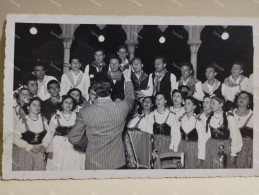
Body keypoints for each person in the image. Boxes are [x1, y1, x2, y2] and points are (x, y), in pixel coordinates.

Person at [68, 67, 135, 170]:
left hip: (94, 163)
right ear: (111, 89)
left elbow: (73, 138)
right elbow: (130, 98)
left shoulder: (85, 112)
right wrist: (127, 78)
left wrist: (88, 142)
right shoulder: (122, 107)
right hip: (117, 163)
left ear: (95, 91)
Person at [46, 95, 85, 170]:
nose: (68, 104)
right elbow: (49, 134)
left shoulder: (77, 116)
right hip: (59, 146)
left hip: (74, 145)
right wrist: (49, 150)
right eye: (66, 102)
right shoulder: (55, 117)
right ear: (61, 104)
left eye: (71, 102)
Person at [13, 97, 52, 171]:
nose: (37, 107)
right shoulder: (22, 121)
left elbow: (48, 136)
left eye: (39, 105)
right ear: (28, 107)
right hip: (26, 152)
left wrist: (44, 145)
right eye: (34, 105)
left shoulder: (43, 121)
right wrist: (29, 146)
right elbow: (15, 138)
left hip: (39, 153)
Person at [204, 95, 243, 169]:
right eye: (210, 103)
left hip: (224, 148)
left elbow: (235, 135)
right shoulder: (210, 117)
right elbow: (207, 135)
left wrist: (233, 153)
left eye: (213, 103)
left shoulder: (228, 117)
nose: (211, 105)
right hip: (211, 147)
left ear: (221, 104)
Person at [177, 96, 205, 169]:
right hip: (182, 149)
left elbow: (201, 141)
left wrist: (200, 157)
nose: (185, 105)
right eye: (185, 103)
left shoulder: (198, 121)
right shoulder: (181, 119)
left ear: (194, 106)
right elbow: (177, 136)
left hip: (193, 150)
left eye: (188, 103)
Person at [233, 91, 253, 168]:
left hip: (246, 150)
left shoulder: (253, 115)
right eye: (240, 97)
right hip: (230, 146)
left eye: (245, 98)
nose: (242, 99)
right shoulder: (229, 113)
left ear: (249, 101)